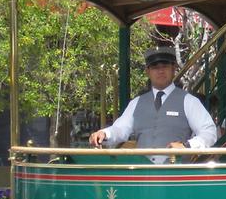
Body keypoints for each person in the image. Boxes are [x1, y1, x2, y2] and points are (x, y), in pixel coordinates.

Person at [89, 47, 217, 161]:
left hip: (176, 177)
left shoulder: (189, 101)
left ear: (174, 69)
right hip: (143, 177)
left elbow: (209, 132)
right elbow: (121, 129)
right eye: (155, 67)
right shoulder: (136, 103)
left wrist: (187, 146)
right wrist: (105, 134)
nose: (160, 71)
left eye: (165, 66)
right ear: (148, 71)